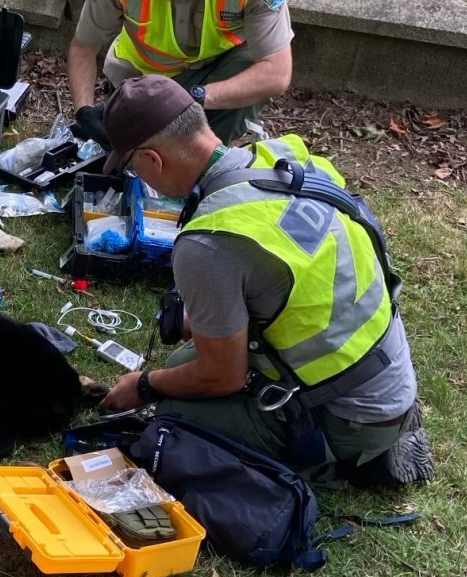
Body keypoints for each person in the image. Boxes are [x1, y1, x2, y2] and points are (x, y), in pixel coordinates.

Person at [97, 75, 433, 486]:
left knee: (174, 413)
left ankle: (346, 458)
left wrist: (144, 385)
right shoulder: (281, 158)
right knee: (184, 363)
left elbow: (224, 377)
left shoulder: (208, 243)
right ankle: (380, 428)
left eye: (133, 166)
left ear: (152, 159)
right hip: (384, 370)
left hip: (345, 412)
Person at [67, 0, 293, 146]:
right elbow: (83, 47)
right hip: (144, 80)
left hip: (215, 77)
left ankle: (203, 157)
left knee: (251, 66)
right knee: (130, 156)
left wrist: (194, 98)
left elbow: (277, 73)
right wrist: (84, 111)